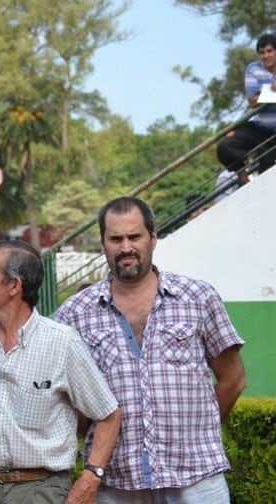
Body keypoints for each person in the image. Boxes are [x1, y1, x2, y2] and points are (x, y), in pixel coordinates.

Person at [55, 196, 247, 503]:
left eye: (135, 236)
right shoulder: (74, 314)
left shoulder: (198, 298)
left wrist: (200, 432)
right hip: (117, 481)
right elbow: (68, 399)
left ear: (153, 238)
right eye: (115, 238)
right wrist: (97, 442)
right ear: (103, 243)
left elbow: (233, 379)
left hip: (197, 478)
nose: (126, 247)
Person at [0, 241, 121, 504]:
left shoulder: (61, 342)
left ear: (14, 286)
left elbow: (108, 415)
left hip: (42, 491)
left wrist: (91, 477)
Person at [217, 33, 276, 179]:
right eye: (262, 52)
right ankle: (243, 180)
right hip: (260, 128)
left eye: (269, 51)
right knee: (226, 145)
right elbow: (252, 102)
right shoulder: (253, 69)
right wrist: (272, 90)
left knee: (267, 169)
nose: (266, 56)